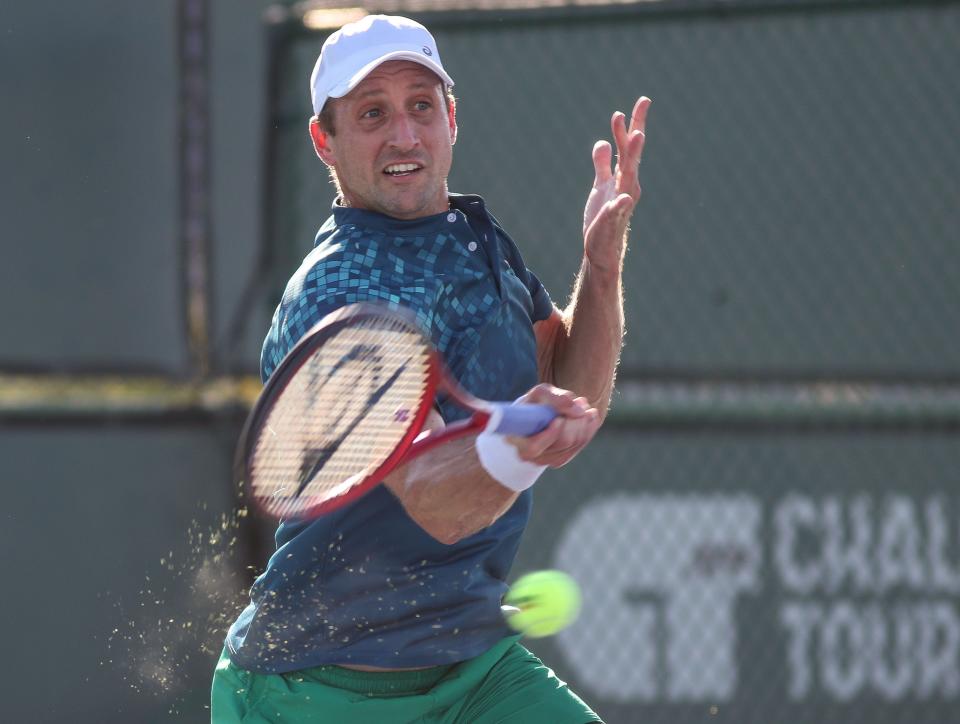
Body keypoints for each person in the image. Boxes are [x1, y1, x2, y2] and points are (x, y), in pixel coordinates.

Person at [211, 14, 649, 723]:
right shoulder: (338, 292)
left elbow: (569, 389)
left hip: (473, 671)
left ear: (451, 118)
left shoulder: (478, 241)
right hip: (318, 689)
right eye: (372, 114)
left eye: (421, 105)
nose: (404, 135)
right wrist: (519, 455)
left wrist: (600, 271)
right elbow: (436, 505)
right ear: (325, 141)